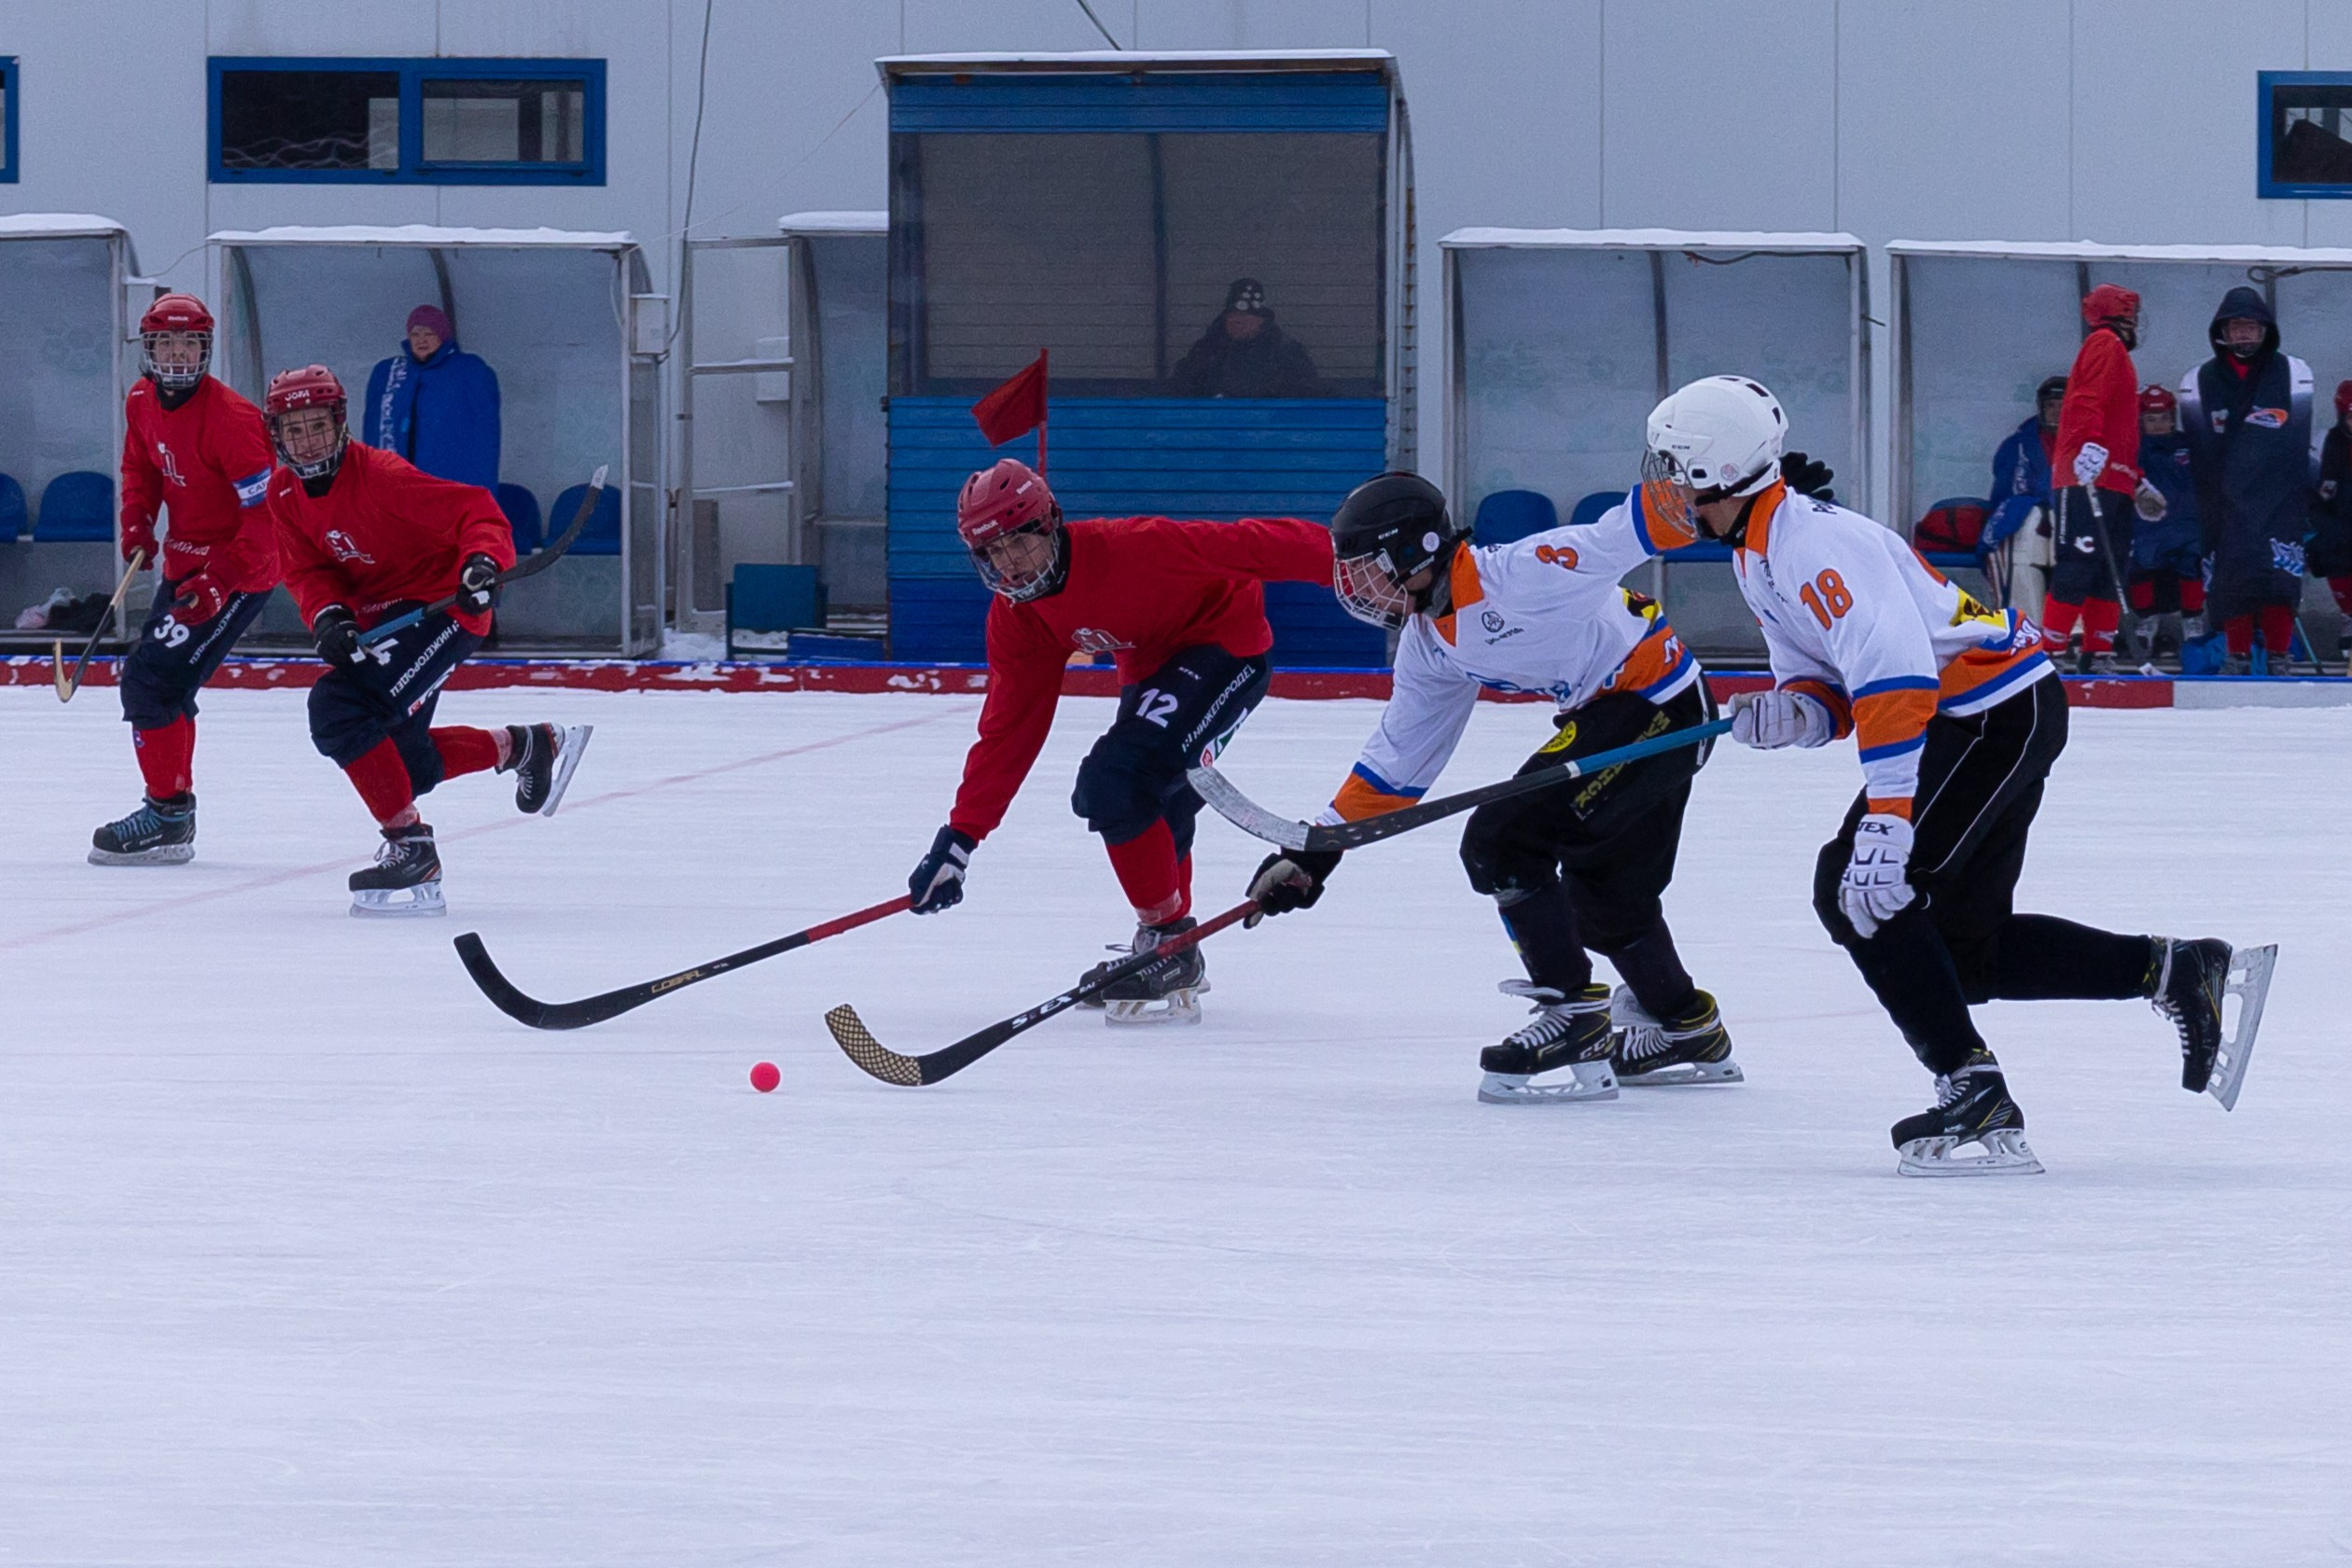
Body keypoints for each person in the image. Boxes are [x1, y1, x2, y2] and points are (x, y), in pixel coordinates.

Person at [1644, 374, 2261, 1175]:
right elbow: (1833, 682)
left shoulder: (1808, 544)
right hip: (1979, 716)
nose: (1659, 483)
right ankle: (2178, 969)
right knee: (1961, 954)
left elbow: (1897, 678)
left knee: (1857, 889)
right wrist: (1796, 711)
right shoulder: (1757, 553)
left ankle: (1971, 1090)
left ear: (1714, 469)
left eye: (1670, 465)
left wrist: (1887, 819)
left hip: (1989, 715)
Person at [1242, 471, 1737, 1104]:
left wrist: (1748, 510)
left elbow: (1623, 531)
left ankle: (1573, 1016)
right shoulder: (1428, 643)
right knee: (1608, 903)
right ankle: (1686, 1026)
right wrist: (1314, 854)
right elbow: (1397, 764)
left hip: (1656, 708)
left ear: (1415, 549)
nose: (1355, 586)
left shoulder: (1523, 575)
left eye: (1367, 568)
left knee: (1501, 840)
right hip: (1623, 713)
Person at [904, 457, 1330, 1022]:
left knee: (1116, 783)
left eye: (1018, 543)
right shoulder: (1018, 614)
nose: (1010, 564)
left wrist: (1355, 562)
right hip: (1153, 669)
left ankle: (1168, 941)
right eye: (992, 553)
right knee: (1150, 800)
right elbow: (1011, 725)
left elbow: (1249, 545)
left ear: (1049, 523)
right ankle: (1173, 947)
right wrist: (959, 840)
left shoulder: (1135, 546)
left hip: (1227, 646)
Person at [262, 365, 591, 916]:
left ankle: (412, 847)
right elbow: (306, 571)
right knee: (398, 766)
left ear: (339, 423)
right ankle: (530, 744)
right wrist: (330, 616)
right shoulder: (284, 493)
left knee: (338, 708)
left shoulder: (382, 476)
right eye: (293, 431)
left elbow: (477, 514)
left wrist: (482, 565)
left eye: (316, 425)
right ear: (277, 437)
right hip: (381, 625)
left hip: (443, 612)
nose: (307, 441)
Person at [90, 294, 282, 866]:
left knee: (149, 683)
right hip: (184, 563)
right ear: (148, 349)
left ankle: (168, 814)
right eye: (166, 343)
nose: (177, 354)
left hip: (239, 570)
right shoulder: (142, 399)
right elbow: (140, 466)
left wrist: (220, 579)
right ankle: (172, 813)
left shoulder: (235, 421)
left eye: (190, 343)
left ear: (206, 349)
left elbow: (266, 521)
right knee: (166, 686)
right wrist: (137, 522)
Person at [2179, 287, 2314, 675]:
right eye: (2236, 326)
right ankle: (2235, 657)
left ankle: (2279, 657)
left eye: (2251, 326)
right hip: (2224, 502)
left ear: (2265, 330)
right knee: (2231, 580)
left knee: (2280, 580)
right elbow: (2201, 448)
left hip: (2280, 499)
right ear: (2222, 330)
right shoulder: (2198, 380)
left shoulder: (2294, 373)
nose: (2244, 334)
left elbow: (2295, 439)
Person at [2043, 285, 2147, 673]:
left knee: (2111, 568)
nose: (2135, 321)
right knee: (2079, 562)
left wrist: (2135, 479)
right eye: (2131, 313)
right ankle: (2050, 650)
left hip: (2114, 478)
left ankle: (2098, 650)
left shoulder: (2116, 351)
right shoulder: (2104, 344)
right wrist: (2089, 444)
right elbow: (2088, 399)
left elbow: (2121, 429)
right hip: (2086, 474)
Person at [361, 304, 502, 491]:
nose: (421, 340)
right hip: (401, 480)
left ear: (443, 336)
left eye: (429, 334)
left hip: (445, 480)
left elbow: (481, 434)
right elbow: (373, 426)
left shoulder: (469, 372)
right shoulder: (391, 373)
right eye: (415, 334)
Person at [2128, 384, 2206, 665]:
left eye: (2164, 418)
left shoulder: (2191, 445)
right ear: (2140, 420)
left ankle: (2193, 624)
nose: (2159, 424)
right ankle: (2147, 621)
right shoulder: (2132, 448)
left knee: (2191, 567)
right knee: (2141, 568)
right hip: (2147, 526)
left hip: (2186, 524)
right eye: (2151, 418)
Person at [1168, 278, 1320, 399]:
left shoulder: (1285, 352)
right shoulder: (1207, 350)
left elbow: (1305, 392)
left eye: (1245, 317)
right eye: (1232, 316)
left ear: (1261, 321)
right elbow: (1183, 385)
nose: (1237, 321)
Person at [2306, 379, 2352, 660]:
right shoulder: (2324, 443)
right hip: (2337, 521)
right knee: (2331, 550)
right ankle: (2349, 615)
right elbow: (2311, 491)